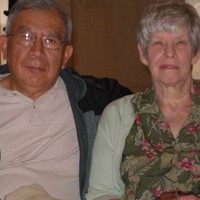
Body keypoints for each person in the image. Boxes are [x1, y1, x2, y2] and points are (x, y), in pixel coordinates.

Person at [0, 0, 132, 200]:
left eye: (50, 41)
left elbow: (159, 105)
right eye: (26, 37)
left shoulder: (93, 97)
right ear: (4, 46)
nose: (37, 51)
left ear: (65, 55)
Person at [86, 1, 200, 200]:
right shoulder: (117, 114)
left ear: (195, 53)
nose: (170, 52)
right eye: (158, 43)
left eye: (180, 42)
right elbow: (101, 194)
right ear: (143, 54)